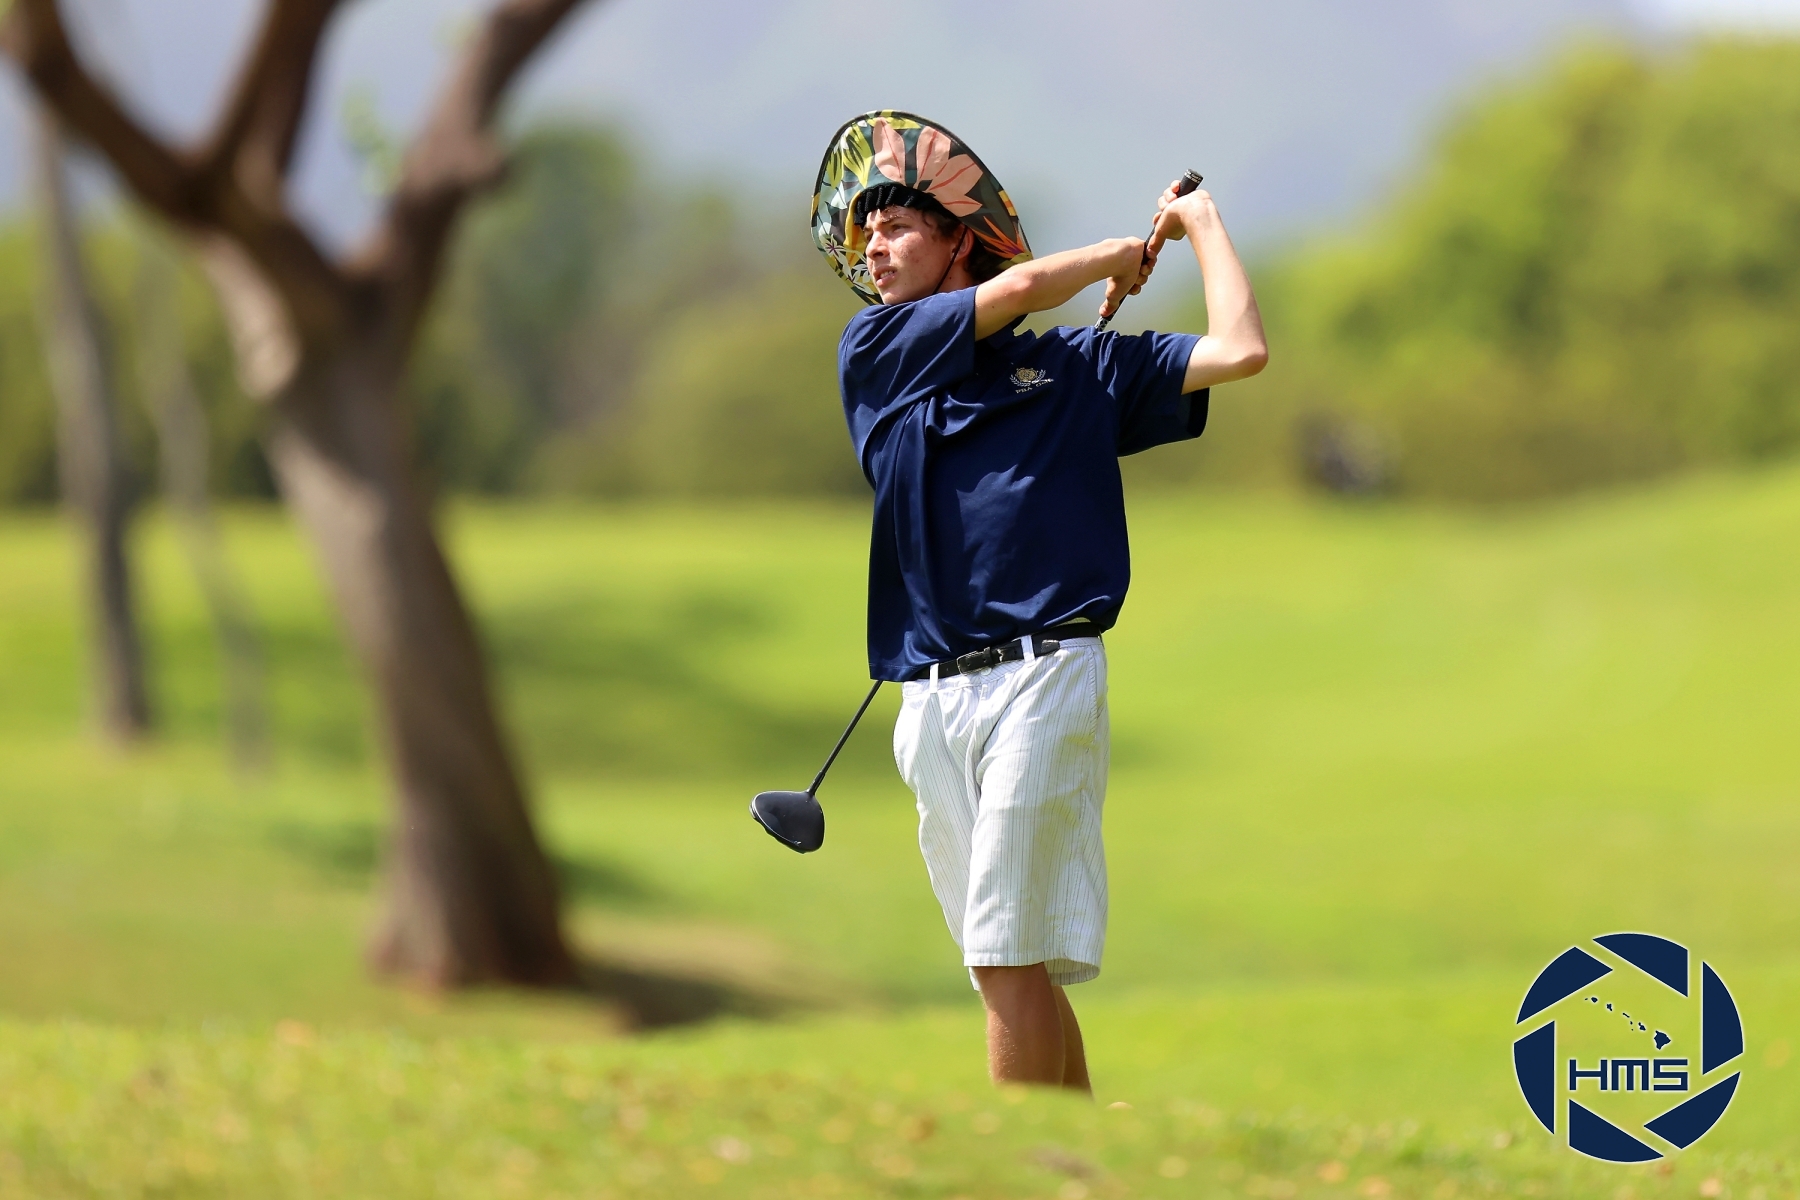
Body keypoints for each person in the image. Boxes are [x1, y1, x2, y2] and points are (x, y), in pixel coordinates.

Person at [810, 112, 1267, 1092]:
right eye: (865, 235)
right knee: (1009, 965)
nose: (873, 250)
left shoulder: (1082, 368)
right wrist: (1114, 256)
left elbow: (1240, 351)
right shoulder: (876, 355)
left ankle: (1020, 1161)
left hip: (1044, 678)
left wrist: (1200, 226)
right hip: (929, 703)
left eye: (897, 228)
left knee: (1004, 952)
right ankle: (1078, 1151)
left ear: (959, 242)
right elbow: (1018, 291)